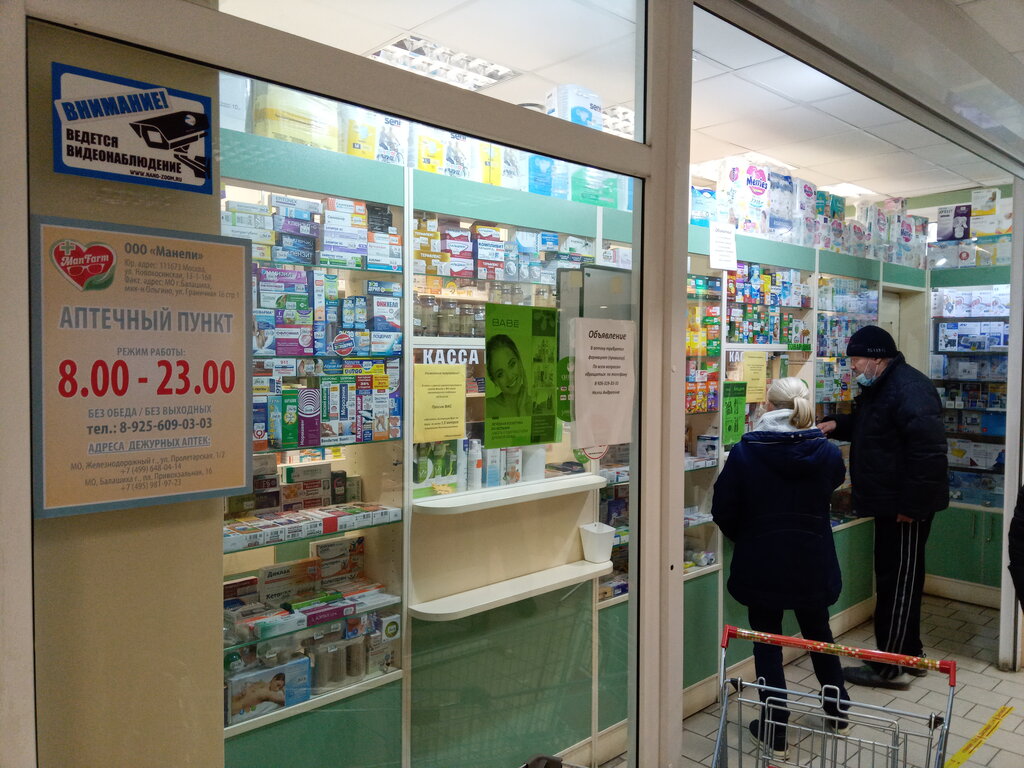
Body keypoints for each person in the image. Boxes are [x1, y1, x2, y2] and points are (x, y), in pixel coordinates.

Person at [712, 377, 850, 759]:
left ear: (768, 406)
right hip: (811, 559)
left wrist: (748, 536)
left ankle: (775, 730)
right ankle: (838, 709)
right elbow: (834, 483)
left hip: (763, 561)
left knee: (767, 642)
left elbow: (723, 508)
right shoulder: (826, 452)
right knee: (818, 633)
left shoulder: (746, 452)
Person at [817, 325, 947, 690]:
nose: (853, 367)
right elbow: (872, 428)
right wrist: (837, 424)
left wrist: (912, 505)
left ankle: (890, 667)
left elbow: (928, 452)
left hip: (905, 506)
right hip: (892, 502)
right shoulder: (884, 386)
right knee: (899, 578)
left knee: (898, 582)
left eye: (856, 360)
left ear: (877, 357)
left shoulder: (910, 388)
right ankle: (911, 655)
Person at [485, 334, 535, 418]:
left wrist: (522, 410)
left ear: (519, 361)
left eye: (512, 364)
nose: (510, 377)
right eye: (500, 374)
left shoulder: (535, 406)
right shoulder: (488, 408)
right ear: (494, 381)